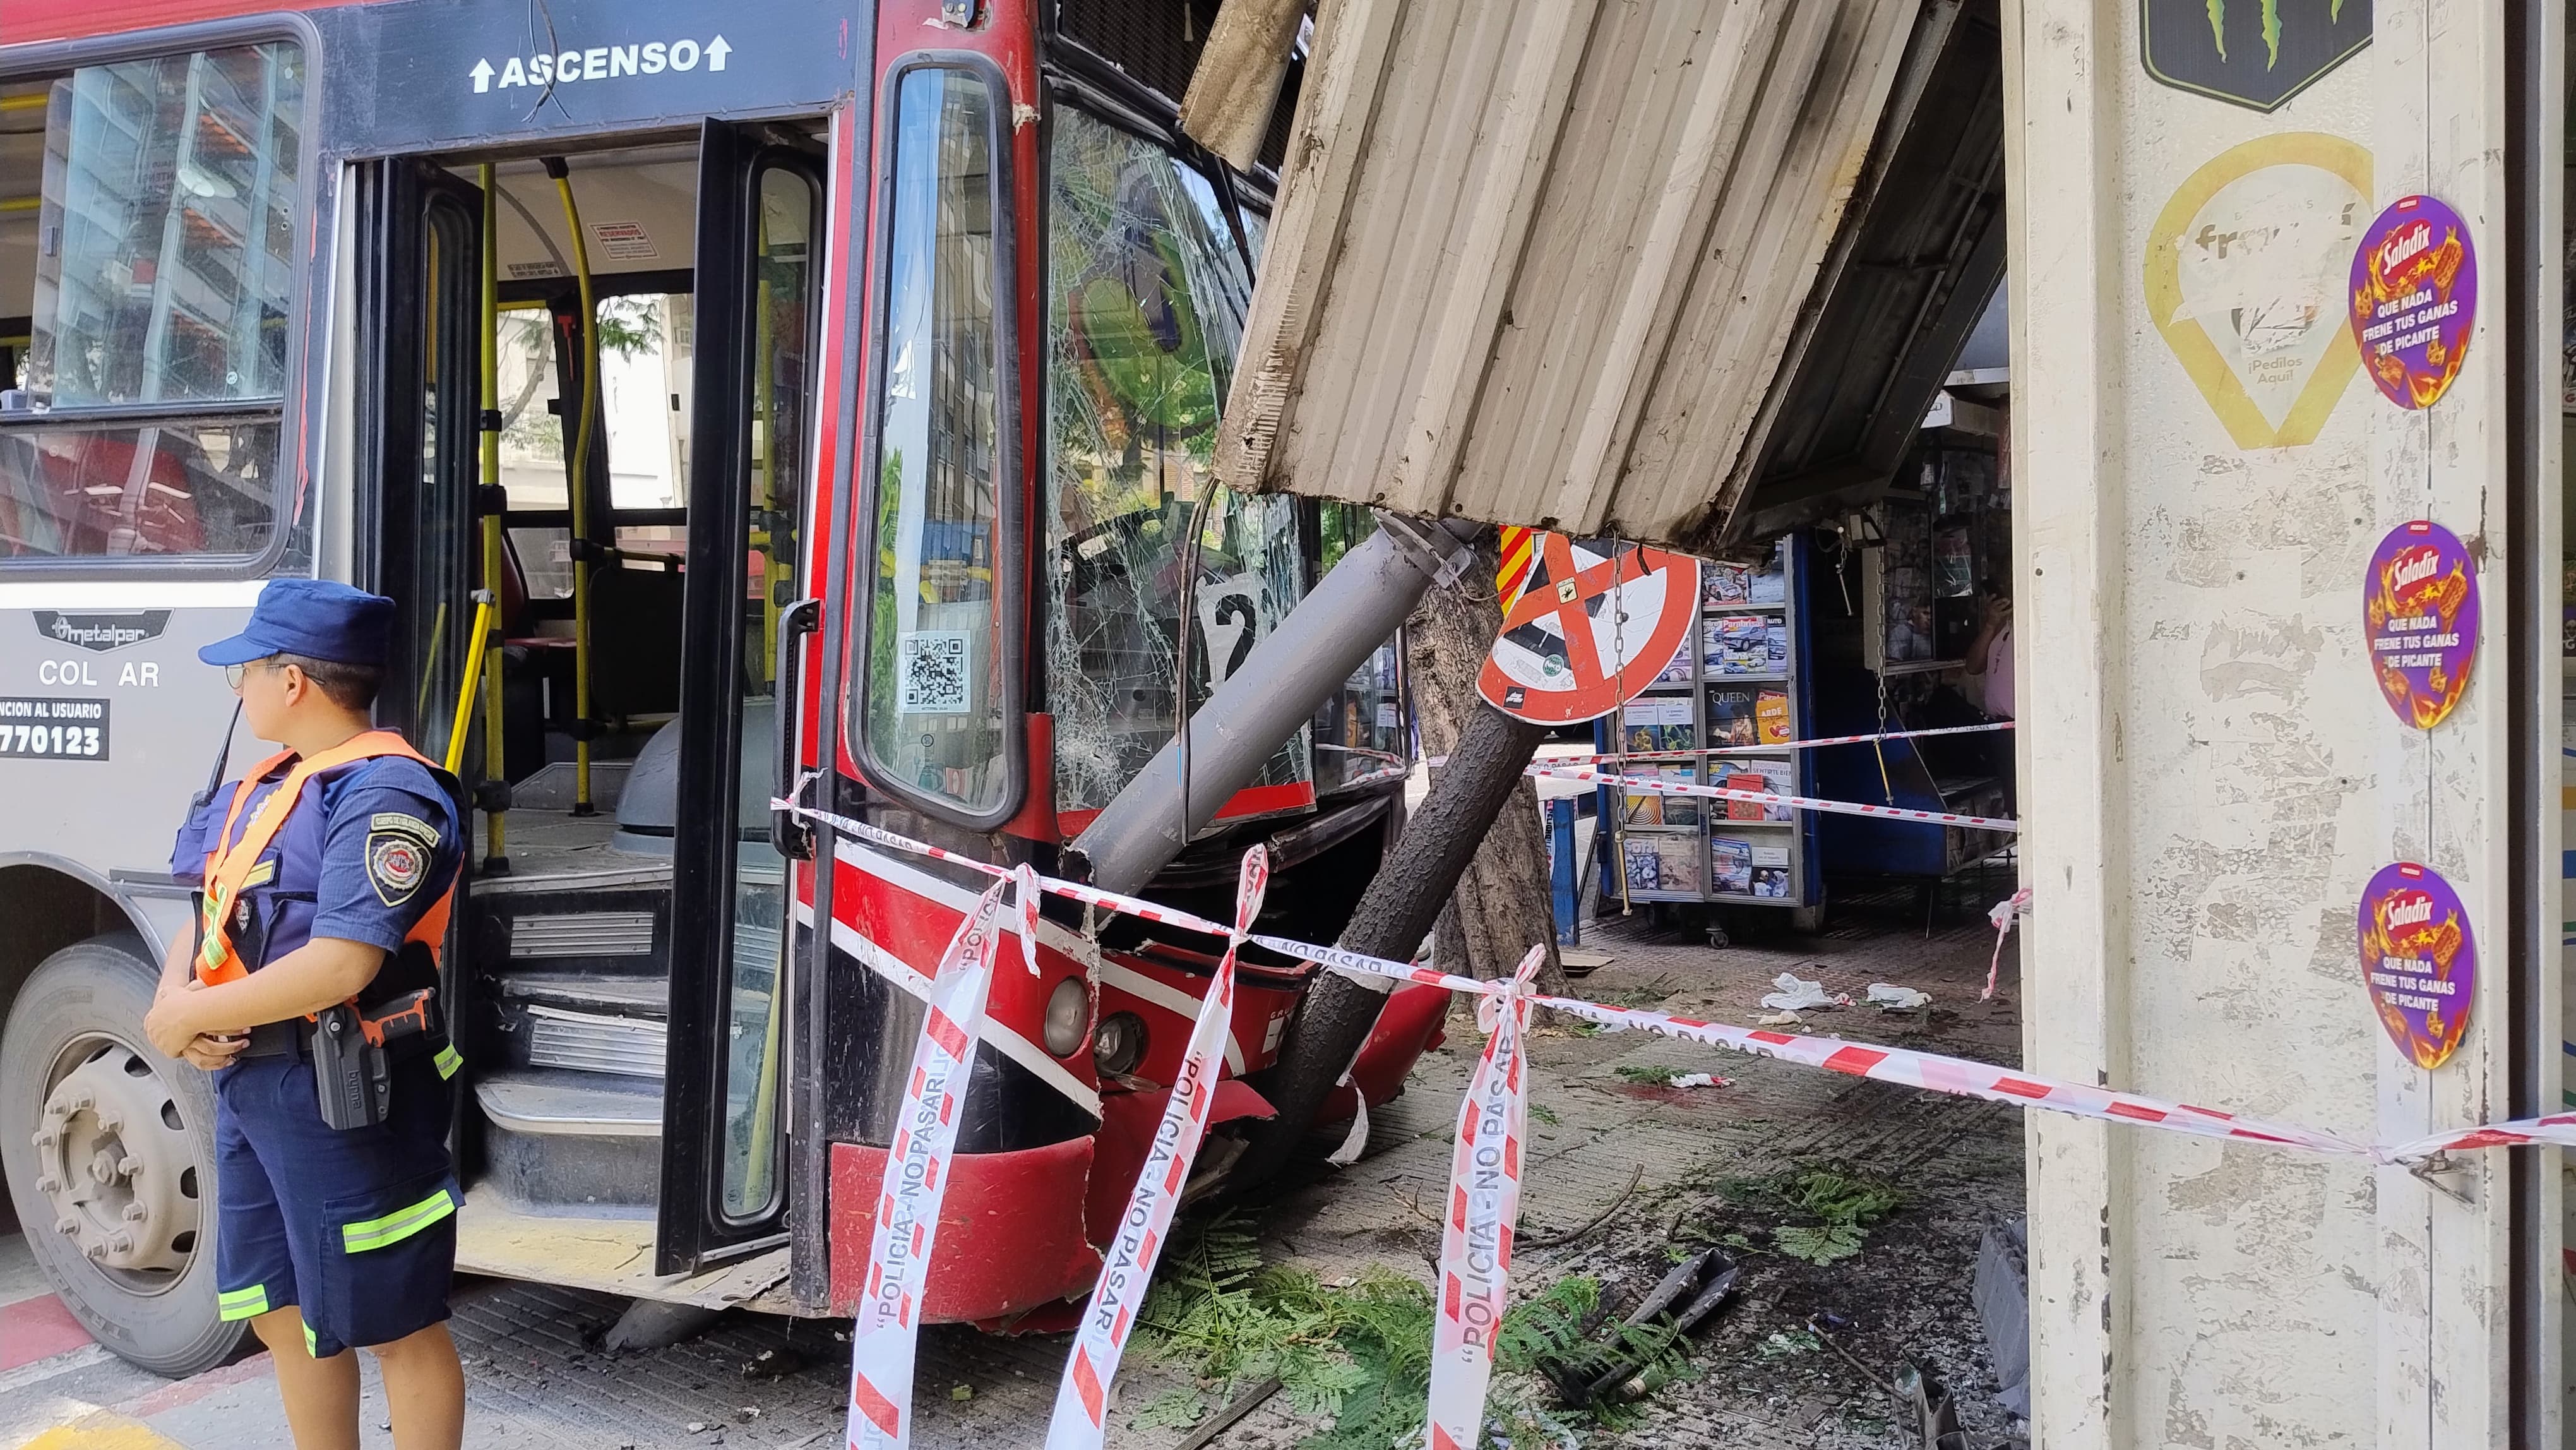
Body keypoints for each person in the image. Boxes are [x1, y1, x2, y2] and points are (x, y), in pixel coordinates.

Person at [141, 578, 467, 1450]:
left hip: (347, 1088)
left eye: (243, 672)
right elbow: (210, 908)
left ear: (293, 682)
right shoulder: (268, 783)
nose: (237, 690)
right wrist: (180, 1001)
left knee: (397, 1322)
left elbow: (341, 963)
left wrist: (189, 1016)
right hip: (254, 1082)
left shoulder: (386, 793)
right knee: (281, 1311)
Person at [1964, 585, 2013, 720]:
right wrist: (1990, 625)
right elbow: (1973, 667)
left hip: (2021, 722)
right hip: (1998, 720)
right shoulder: (2003, 626)